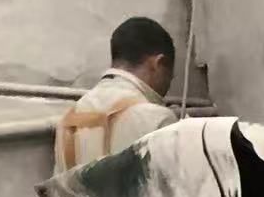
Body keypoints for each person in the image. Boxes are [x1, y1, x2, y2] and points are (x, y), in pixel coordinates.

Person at [54, 17, 178, 172]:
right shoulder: (158, 119)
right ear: (157, 63)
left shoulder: (69, 119)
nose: (169, 84)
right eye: (169, 75)